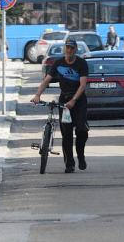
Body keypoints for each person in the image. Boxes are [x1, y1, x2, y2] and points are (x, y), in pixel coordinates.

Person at [32, 39, 89, 173]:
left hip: (79, 100)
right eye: (67, 48)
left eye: (72, 48)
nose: (69, 50)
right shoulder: (58, 63)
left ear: (75, 50)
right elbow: (46, 80)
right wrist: (37, 95)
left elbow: (83, 85)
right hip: (64, 98)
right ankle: (69, 163)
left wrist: (74, 100)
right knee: (67, 133)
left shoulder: (81, 63)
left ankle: (80, 155)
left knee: (81, 130)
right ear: (64, 49)